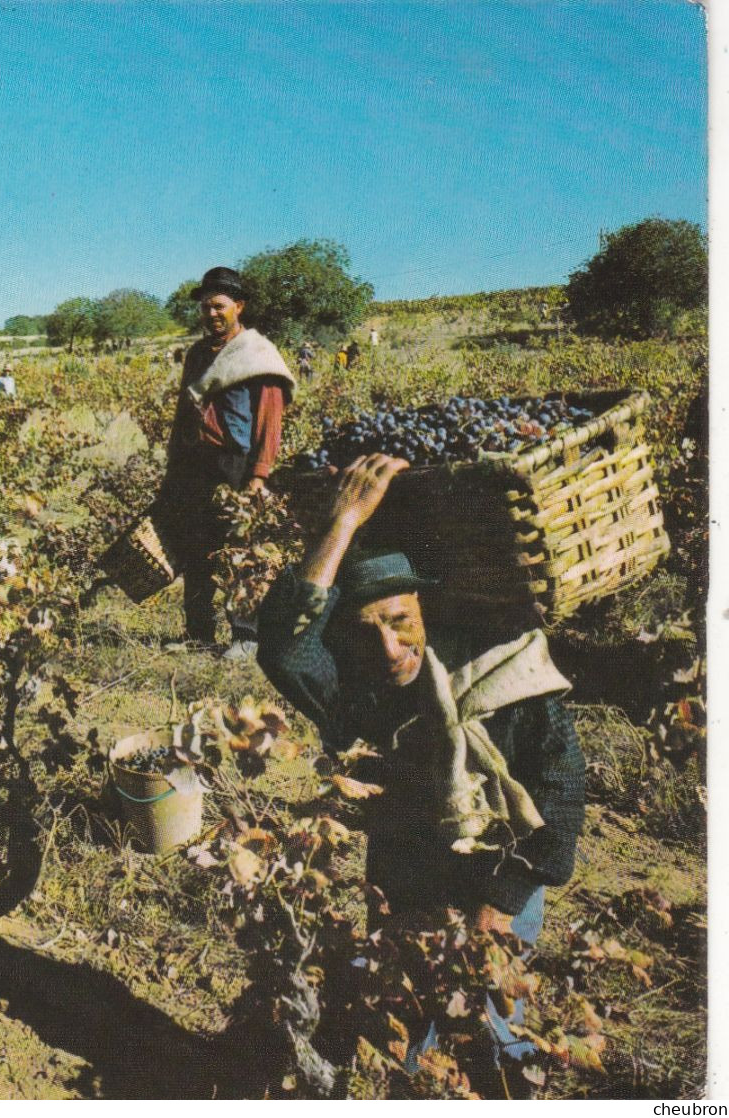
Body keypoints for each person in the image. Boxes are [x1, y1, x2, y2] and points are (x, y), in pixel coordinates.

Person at [255, 454, 584, 1074]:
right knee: (405, 1023)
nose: (388, 647)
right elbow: (279, 646)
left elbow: (561, 791)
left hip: (502, 868)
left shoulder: (503, 672)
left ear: (426, 610)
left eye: (401, 623)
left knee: (493, 1019)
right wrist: (342, 521)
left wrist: (504, 901)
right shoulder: (356, 686)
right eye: (365, 630)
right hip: (405, 872)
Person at [151, 266, 295, 652]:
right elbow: (185, 411)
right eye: (205, 307)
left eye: (219, 306)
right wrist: (174, 466)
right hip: (195, 465)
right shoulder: (198, 355)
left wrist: (258, 476)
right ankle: (198, 633)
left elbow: (269, 419)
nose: (211, 314)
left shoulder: (256, 354)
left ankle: (245, 636)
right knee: (196, 550)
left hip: (237, 464)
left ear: (238, 307)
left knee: (239, 550)